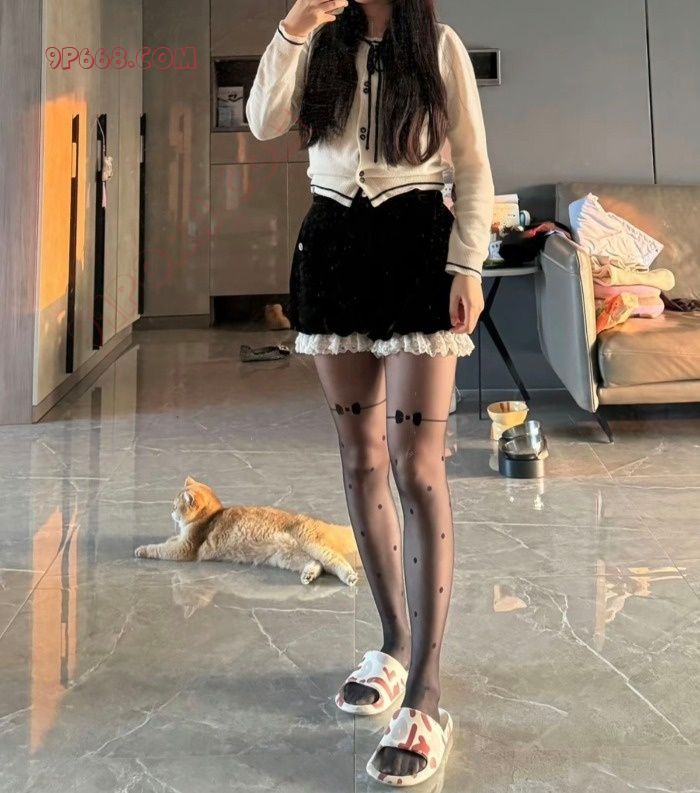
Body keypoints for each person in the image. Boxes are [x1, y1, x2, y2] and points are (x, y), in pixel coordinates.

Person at [246, 0, 494, 785]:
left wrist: (467, 265)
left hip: (419, 245)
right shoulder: (316, 41)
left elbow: (474, 166)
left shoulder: (438, 46)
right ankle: (392, 645)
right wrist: (294, 26)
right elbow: (261, 121)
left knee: (416, 465)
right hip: (332, 247)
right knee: (359, 459)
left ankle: (426, 690)